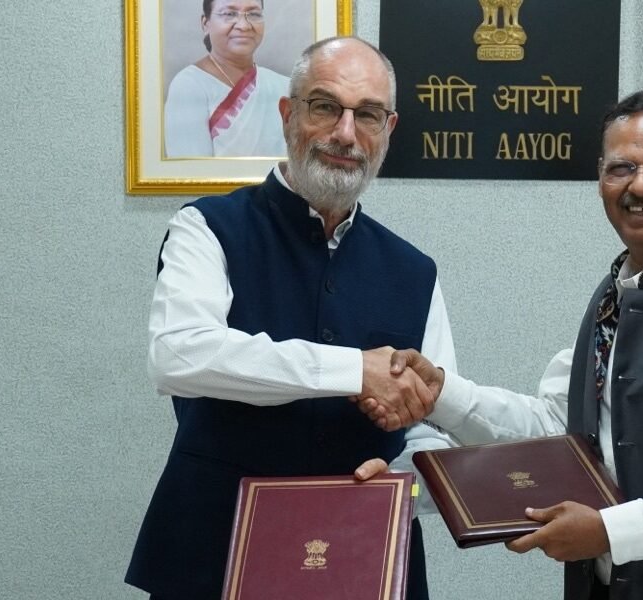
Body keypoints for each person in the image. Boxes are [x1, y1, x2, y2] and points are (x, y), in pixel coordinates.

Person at [363, 90, 643, 600]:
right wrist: (445, 394)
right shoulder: (614, 295)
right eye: (621, 168)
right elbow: (563, 431)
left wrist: (612, 531)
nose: (640, 185)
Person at [128, 37, 454, 599]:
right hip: (214, 550)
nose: (345, 134)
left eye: (367, 115)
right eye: (325, 106)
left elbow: (435, 421)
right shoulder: (207, 228)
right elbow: (179, 355)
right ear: (287, 113)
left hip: (364, 555)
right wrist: (354, 370)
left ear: (388, 129)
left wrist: (409, 484)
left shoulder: (413, 269)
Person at [164, 0, 290, 157]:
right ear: (205, 23)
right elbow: (191, 172)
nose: (244, 26)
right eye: (229, 14)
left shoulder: (284, 86)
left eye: (254, 14)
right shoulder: (189, 85)